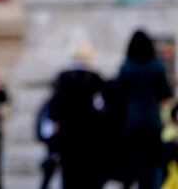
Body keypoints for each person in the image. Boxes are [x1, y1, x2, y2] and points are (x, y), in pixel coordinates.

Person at [116, 30, 172, 189]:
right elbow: (165, 94)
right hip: (153, 121)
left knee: (139, 163)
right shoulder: (156, 66)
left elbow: (118, 95)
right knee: (154, 162)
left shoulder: (126, 67)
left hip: (133, 122)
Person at [48, 43, 108, 189]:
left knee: (68, 172)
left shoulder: (63, 77)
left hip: (67, 132)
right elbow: (102, 105)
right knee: (88, 172)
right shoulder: (94, 77)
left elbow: (55, 106)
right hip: (88, 133)